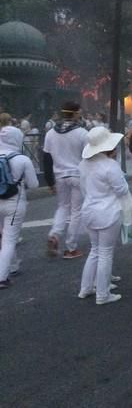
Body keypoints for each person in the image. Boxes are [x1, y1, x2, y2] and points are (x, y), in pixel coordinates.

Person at [77, 127, 129, 305]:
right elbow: (122, 190)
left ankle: (86, 288)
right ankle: (102, 293)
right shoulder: (110, 165)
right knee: (106, 253)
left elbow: (83, 188)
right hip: (108, 211)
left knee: (95, 251)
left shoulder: (83, 164)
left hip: (88, 210)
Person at [43, 101, 88, 259]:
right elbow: (87, 156)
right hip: (77, 175)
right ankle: (71, 247)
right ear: (75, 113)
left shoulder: (50, 133)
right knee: (76, 212)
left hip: (59, 175)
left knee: (62, 207)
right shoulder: (82, 133)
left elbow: (46, 159)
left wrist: (49, 181)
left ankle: (54, 234)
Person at [0, 126, 39, 289]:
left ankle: (13, 266)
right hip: (15, 202)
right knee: (10, 239)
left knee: (3, 236)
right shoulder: (22, 159)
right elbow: (34, 185)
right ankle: (2, 276)